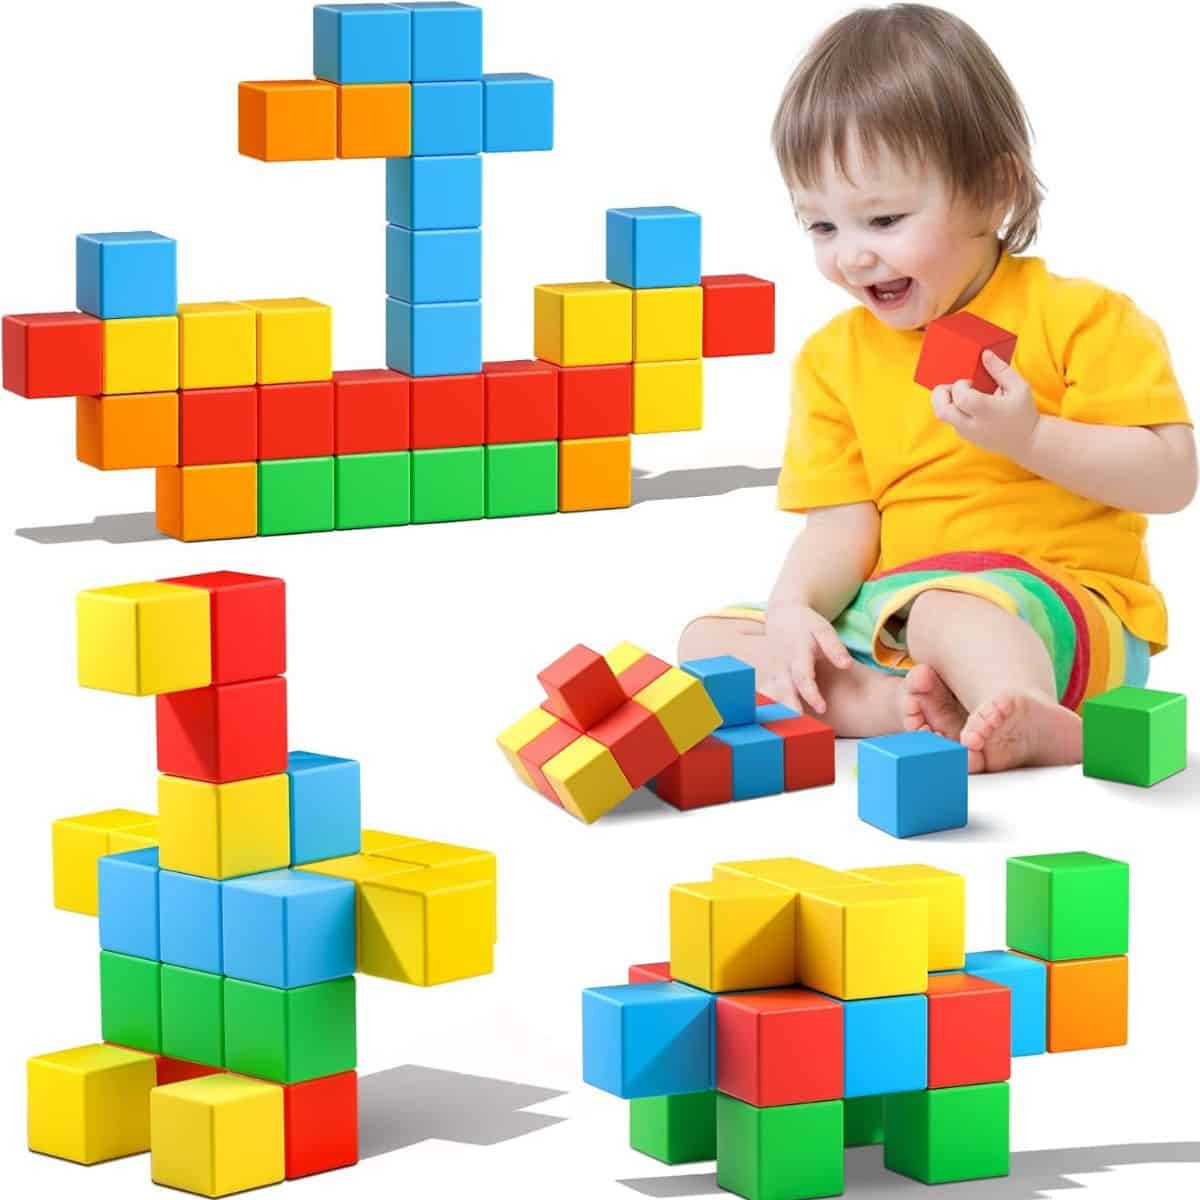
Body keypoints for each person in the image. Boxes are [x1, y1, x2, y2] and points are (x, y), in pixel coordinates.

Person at [679, 3, 1195, 772]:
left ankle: (1031, 718)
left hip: (1071, 612)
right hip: (901, 617)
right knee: (711, 638)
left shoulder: (1082, 317)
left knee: (952, 608)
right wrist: (794, 610)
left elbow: (1171, 478)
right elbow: (839, 528)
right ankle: (905, 709)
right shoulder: (833, 359)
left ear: (992, 193)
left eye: (883, 219)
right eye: (821, 227)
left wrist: (1031, 437)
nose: (852, 257)